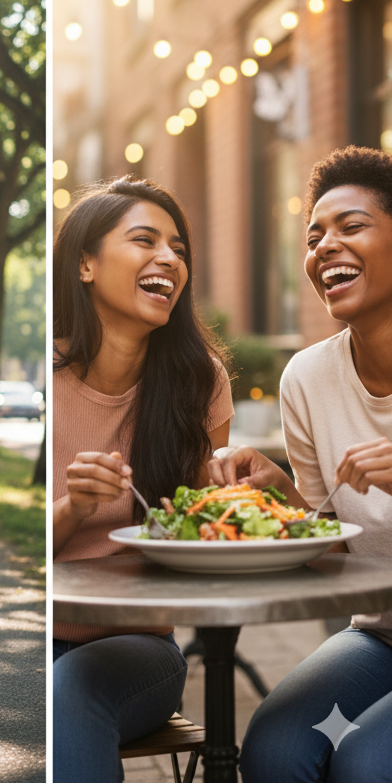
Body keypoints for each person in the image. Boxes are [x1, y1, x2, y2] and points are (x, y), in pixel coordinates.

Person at [209, 146, 392, 783]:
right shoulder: (307, 379)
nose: (325, 247)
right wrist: (281, 494)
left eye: (351, 226)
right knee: (274, 749)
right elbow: (335, 552)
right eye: (314, 238)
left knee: (364, 761)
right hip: (381, 638)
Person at [52, 176, 233, 782]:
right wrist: (74, 507)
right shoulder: (46, 376)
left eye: (178, 249)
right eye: (145, 240)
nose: (169, 259)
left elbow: (209, 541)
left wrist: (228, 503)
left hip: (140, 651)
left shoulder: (199, 382)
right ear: (85, 264)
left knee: (69, 692)